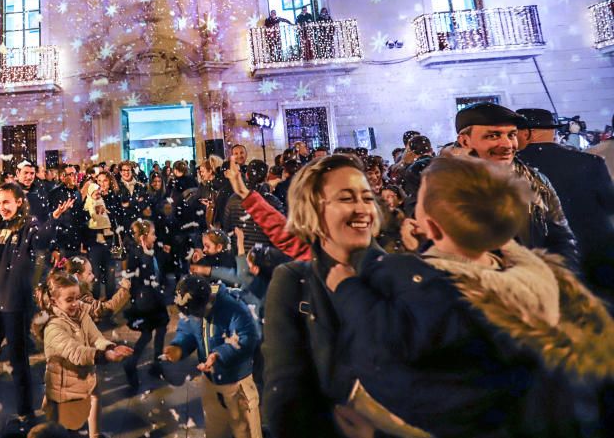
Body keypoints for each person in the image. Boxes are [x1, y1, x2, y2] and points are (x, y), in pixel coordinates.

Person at [327, 155, 614, 437]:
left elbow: (382, 335)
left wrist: (348, 287)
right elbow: (476, 258)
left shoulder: (434, 291)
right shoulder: (535, 274)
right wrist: (434, 243)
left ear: (435, 226)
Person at [261, 155, 383, 438]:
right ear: (313, 209)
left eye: (367, 198)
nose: (362, 208)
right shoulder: (293, 281)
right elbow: (285, 401)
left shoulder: (399, 276)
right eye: (346, 198)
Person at [0, 182, 54, 422]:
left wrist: (54, 220)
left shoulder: (29, 226)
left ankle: (25, 411)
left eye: (6, 202)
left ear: (19, 202)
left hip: (13, 303)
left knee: (18, 360)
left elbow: (42, 239)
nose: (2, 207)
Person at [455, 103, 578, 266]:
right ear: (465, 141)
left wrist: (557, 278)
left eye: (511, 135)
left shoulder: (535, 180)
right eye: (493, 136)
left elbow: (561, 237)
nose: (507, 145)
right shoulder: (446, 187)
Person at [517, 107, 614, 302]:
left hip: (540, 261)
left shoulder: (510, 166)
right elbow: (610, 204)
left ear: (527, 132)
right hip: (594, 257)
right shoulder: (589, 161)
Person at [36, 271, 133, 438]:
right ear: (54, 301)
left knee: (94, 399)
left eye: (77, 298)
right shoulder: (53, 327)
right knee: (68, 429)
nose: (75, 304)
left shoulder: (80, 313)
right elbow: (76, 353)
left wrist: (109, 348)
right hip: (64, 391)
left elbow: (95, 337)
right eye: (69, 300)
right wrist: (105, 356)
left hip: (82, 379)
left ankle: (94, 434)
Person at [163, 274, 262, 438]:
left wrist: (219, 354)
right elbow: (187, 331)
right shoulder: (192, 309)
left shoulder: (233, 306)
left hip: (237, 383)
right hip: (210, 381)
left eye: (197, 313)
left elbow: (247, 338)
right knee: (215, 430)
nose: (194, 318)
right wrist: (178, 347)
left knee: (246, 431)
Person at [123, 219, 170, 390]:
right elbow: (137, 277)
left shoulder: (150, 250)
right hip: (147, 302)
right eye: (152, 234)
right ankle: (132, 363)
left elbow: (158, 271)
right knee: (148, 334)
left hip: (155, 298)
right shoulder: (137, 254)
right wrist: (145, 255)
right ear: (143, 237)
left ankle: (156, 362)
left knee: (160, 329)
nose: (155, 237)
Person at [60, 256, 130, 322]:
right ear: (78, 276)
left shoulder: (63, 289)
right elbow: (105, 309)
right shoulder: (81, 297)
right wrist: (124, 289)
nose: (93, 276)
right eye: (89, 273)